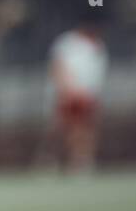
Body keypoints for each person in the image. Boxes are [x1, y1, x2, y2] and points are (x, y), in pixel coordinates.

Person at [47, 14, 109, 171]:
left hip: (89, 96)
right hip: (69, 94)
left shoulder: (97, 45)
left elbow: (98, 73)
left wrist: (92, 94)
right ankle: (51, 161)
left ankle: (82, 162)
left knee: (86, 130)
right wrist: (67, 90)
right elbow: (58, 67)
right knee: (63, 129)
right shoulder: (67, 43)